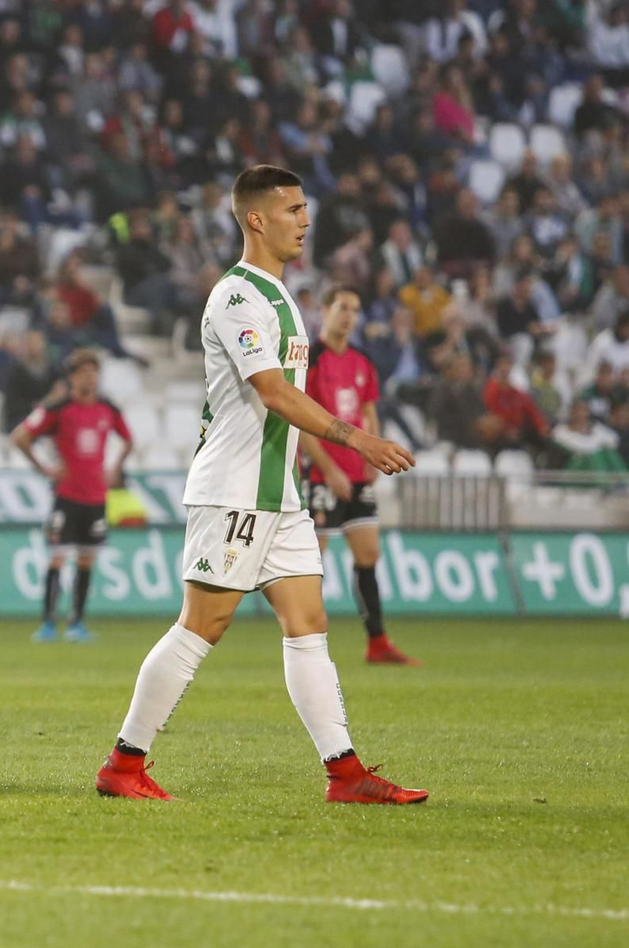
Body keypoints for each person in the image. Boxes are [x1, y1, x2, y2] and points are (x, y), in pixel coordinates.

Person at [96, 166, 427, 805]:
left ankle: (345, 774)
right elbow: (272, 393)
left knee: (308, 625)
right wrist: (357, 438)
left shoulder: (280, 295)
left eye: (305, 209)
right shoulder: (238, 296)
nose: (305, 220)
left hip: (279, 495)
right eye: (294, 209)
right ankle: (123, 763)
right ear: (256, 218)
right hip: (234, 490)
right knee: (202, 626)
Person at [300, 287, 420, 666]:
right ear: (325, 310)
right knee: (311, 560)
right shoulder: (311, 359)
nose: (349, 316)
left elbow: (370, 413)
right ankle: (306, 643)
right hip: (322, 474)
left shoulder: (362, 361)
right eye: (342, 308)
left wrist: (374, 455)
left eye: (355, 309)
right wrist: (328, 468)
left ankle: (378, 642)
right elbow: (302, 420)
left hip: (357, 474)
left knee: (369, 553)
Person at [9, 349, 133, 643]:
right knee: (57, 558)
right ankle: (48, 623)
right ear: (73, 376)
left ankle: (77, 623)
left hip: (96, 498)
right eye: (83, 372)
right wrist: (43, 468)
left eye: (94, 371)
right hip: (66, 496)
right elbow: (20, 436)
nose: (90, 377)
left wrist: (115, 467)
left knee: (87, 560)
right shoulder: (59, 407)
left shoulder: (108, 409)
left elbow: (128, 440)